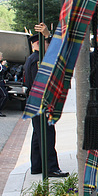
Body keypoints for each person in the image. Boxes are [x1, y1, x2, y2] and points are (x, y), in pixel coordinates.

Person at [24, 23, 69, 178]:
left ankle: (36, 165)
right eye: (45, 42)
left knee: (38, 134)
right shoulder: (38, 60)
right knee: (47, 134)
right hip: (40, 102)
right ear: (38, 44)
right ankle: (51, 167)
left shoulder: (32, 58)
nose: (48, 45)